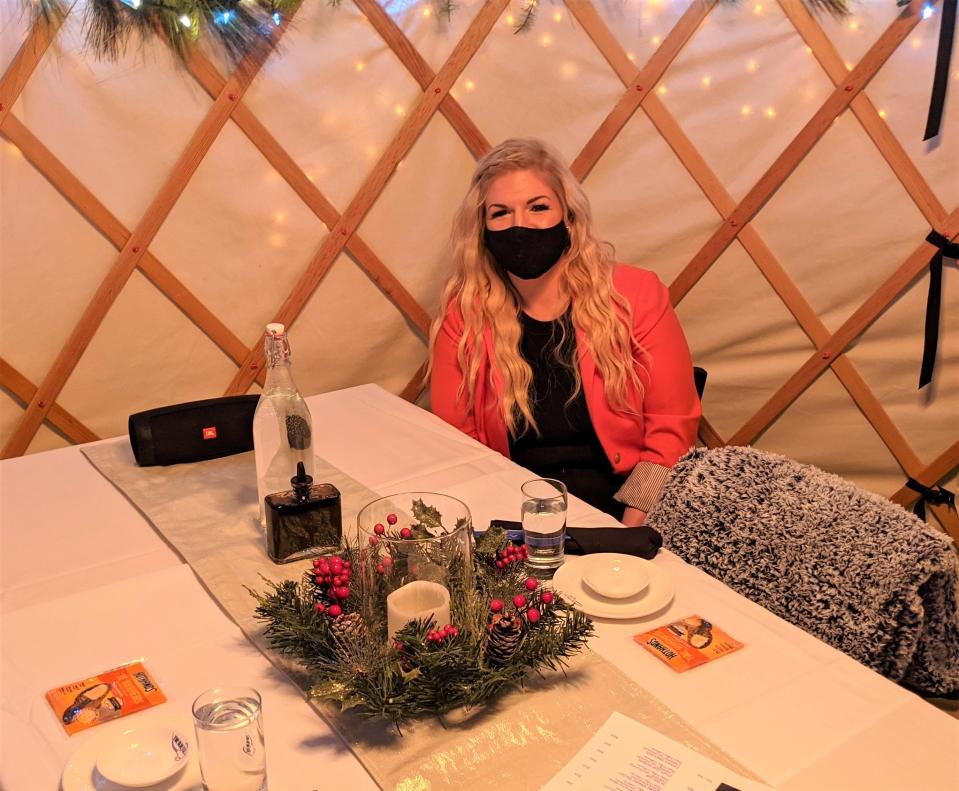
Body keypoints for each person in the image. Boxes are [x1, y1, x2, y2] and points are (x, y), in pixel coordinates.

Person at [429, 138, 700, 526]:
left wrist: (628, 529)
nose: (519, 225)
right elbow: (458, 440)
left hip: (621, 509)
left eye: (538, 207)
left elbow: (671, 426)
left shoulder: (636, 296)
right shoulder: (466, 314)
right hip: (514, 515)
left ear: (569, 218)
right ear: (483, 231)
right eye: (500, 213)